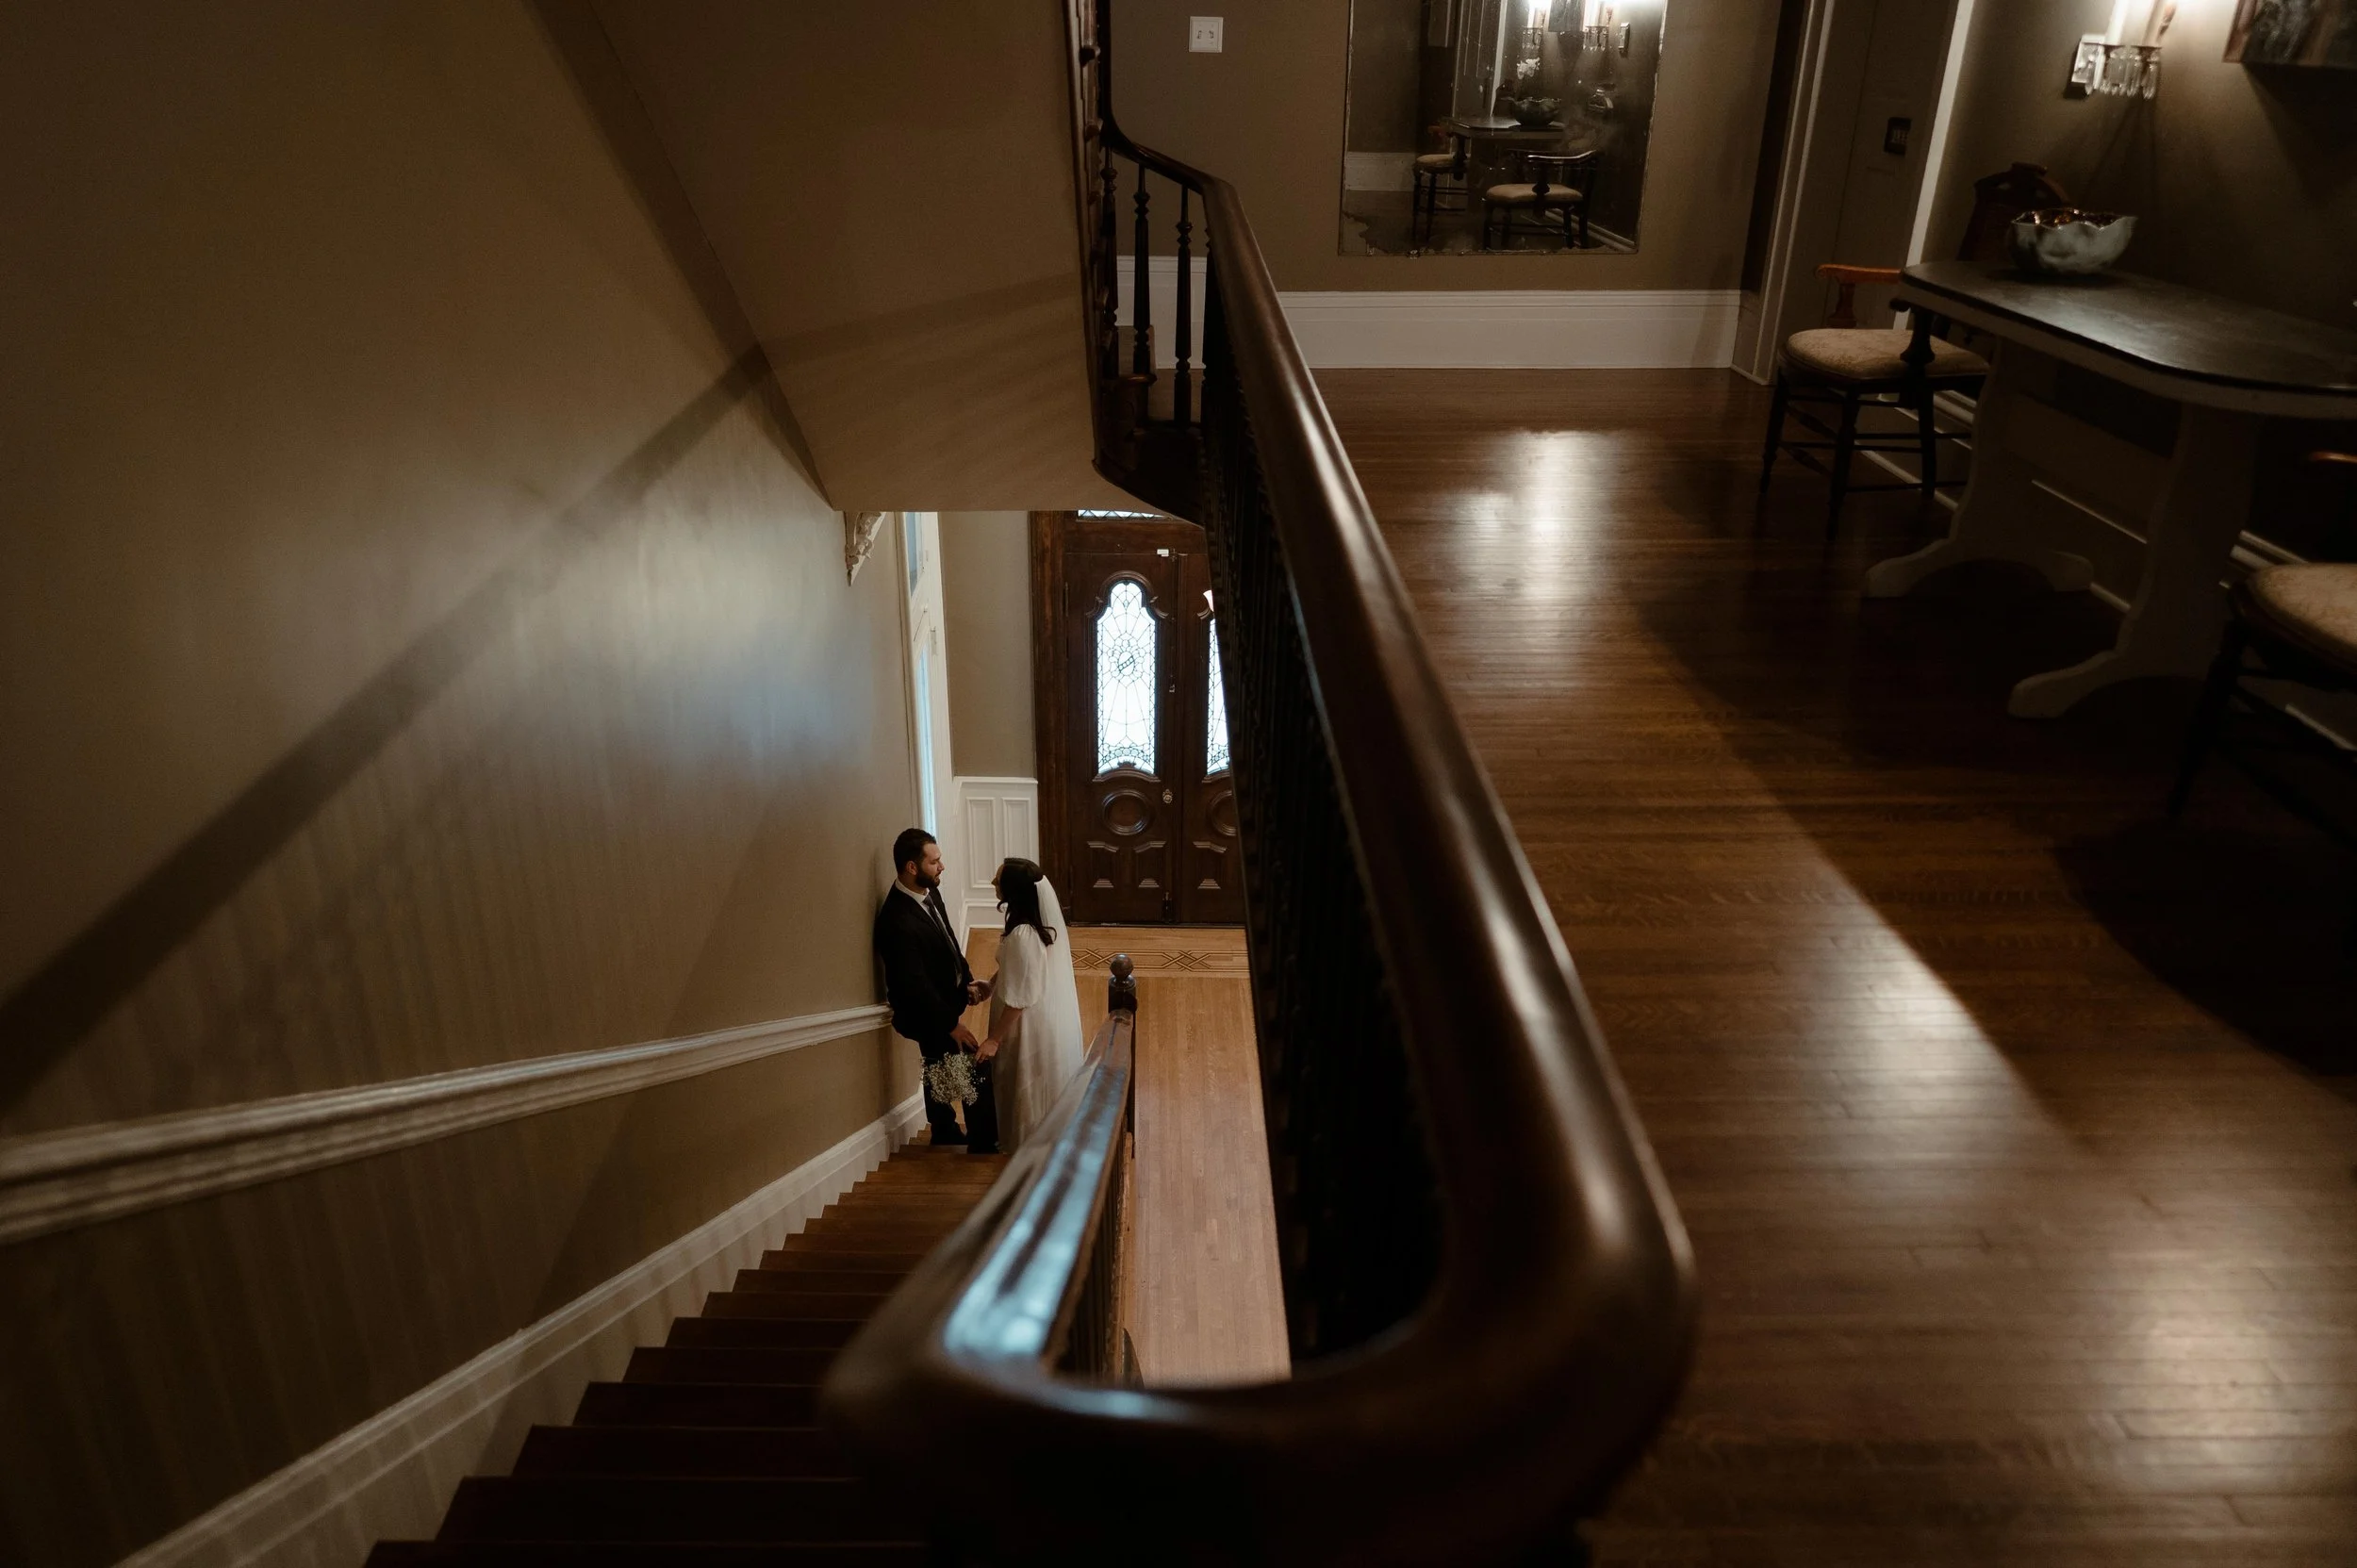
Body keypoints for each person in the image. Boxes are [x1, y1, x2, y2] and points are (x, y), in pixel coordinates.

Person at [872, 828, 998, 1152]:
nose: (942, 866)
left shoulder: (929, 891)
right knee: (942, 1060)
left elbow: (948, 940)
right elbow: (915, 986)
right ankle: (953, 1132)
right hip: (924, 1011)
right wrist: (952, 1024)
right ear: (912, 867)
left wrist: (966, 977)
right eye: (935, 861)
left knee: (941, 1061)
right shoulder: (896, 921)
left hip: (944, 1002)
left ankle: (946, 1129)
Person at [981, 858, 1087, 1149]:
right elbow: (1018, 969)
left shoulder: (1023, 935)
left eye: (998, 879)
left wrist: (993, 1039)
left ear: (1012, 889)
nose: (992, 883)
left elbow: (1020, 999)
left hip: (1025, 1024)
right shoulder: (1028, 928)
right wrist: (991, 985)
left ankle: (1026, 1149)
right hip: (1030, 1013)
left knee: (1025, 1084)